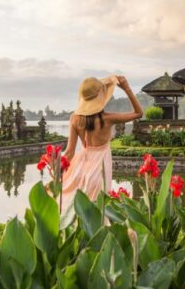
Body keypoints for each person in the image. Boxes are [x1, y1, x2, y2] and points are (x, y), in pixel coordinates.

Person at [61, 75, 143, 210]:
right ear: (101, 98)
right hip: (100, 169)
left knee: (79, 211)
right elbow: (139, 113)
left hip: (80, 167)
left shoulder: (74, 119)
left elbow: (69, 152)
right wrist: (127, 89)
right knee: (98, 213)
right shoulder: (108, 118)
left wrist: (59, 174)